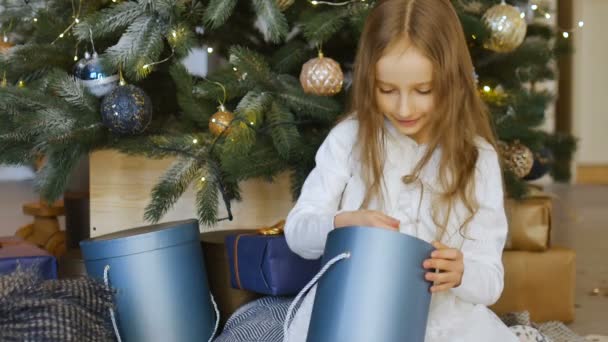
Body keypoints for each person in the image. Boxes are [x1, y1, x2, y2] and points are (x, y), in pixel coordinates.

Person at [284, 1, 550, 341]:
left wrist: (461, 273)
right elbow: (297, 233)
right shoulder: (348, 139)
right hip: (355, 316)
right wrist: (340, 224)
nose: (404, 108)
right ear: (369, 81)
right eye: (387, 90)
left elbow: (490, 282)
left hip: (445, 327)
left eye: (423, 90)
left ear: (452, 81)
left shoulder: (475, 157)